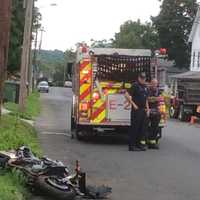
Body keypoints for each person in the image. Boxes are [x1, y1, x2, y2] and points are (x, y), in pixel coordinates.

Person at [125, 72, 150, 151]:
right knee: (134, 128)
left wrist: (148, 109)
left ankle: (138, 145)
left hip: (143, 110)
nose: (143, 79)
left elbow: (146, 99)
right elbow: (126, 94)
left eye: (144, 78)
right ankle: (132, 146)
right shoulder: (135, 85)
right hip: (136, 110)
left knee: (141, 128)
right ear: (139, 78)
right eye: (141, 78)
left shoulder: (145, 87)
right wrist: (133, 104)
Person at [148, 79, 161, 149]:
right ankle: (142, 142)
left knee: (155, 127)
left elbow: (160, 98)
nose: (154, 85)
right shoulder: (147, 90)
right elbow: (147, 99)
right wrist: (155, 99)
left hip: (155, 111)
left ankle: (152, 142)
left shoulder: (158, 91)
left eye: (155, 84)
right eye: (153, 83)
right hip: (147, 110)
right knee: (144, 127)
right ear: (150, 83)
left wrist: (153, 99)